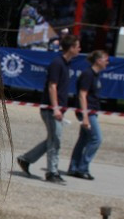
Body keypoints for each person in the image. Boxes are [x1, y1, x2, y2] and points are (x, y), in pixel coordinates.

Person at [17, 34, 81, 184]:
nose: (79, 49)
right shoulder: (57, 63)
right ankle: (52, 172)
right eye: (77, 46)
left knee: (52, 139)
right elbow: (52, 87)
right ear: (71, 48)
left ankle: (26, 159)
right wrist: (56, 108)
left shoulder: (66, 64)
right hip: (51, 109)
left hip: (57, 109)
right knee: (55, 141)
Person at [66, 50, 108, 180]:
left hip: (91, 111)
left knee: (83, 140)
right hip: (87, 112)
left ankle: (73, 168)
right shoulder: (88, 74)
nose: (107, 62)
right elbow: (82, 95)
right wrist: (85, 116)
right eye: (106, 59)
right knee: (97, 139)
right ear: (98, 60)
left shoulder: (95, 75)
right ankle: (82, 168)